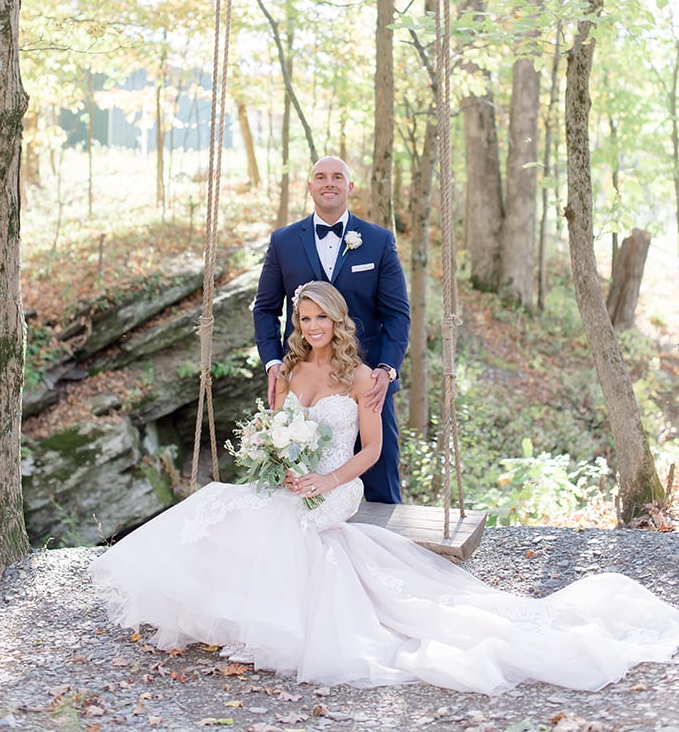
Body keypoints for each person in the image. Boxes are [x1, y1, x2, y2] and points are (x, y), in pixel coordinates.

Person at [91, 282, 679, 694]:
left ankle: (273, 621)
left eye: (320, 317)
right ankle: (226, 611)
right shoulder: (289, 372)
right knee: (221, 502)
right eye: (303, 320)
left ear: (337, 321)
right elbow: (273, 433)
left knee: (283, 523)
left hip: (337, 483)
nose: (312, 327)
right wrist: (273, 460)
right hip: (291, 478)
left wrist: (323, 478)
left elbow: (370, 452)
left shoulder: (362, 377)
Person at [253, 155, 409, 503]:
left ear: (350, 187)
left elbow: (398, 313)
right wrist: (272, 363)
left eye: (337, 177)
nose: (329, 183)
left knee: (382, 479)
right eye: (320, 177)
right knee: (292, 482)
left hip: (367, 383)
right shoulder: (284, 241)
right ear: (309, 187)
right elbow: (264, 309)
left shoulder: (378, 241)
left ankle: (382, 553)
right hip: (303, 376)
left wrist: (386, 369)